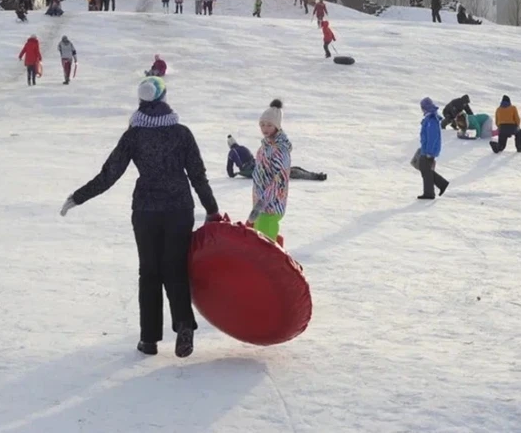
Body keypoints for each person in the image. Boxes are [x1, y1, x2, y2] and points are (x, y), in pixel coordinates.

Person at [59, 76, 221, 358]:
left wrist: (78, 196)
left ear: (141, 101)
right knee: (175, 268)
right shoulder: (181, 133)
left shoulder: (134, 135)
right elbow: (197, 175)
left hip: (145, 211)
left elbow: (109, 174)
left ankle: (149, 339)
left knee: (149, 272)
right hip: (179, 209)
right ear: (164, 99)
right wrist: (212, 209)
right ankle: (183, 325)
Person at [249, 100, 292, 242]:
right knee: (257, 239)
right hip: (260, 206)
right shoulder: (263, 148)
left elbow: (280, 179)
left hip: (272, 206)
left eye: (269, 125)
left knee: (264, 245)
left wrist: (263, 201)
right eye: (262, 124)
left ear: (277, 126)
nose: (265, 128)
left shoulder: (280, 150)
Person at [229, 134, 325, 181]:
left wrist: (233, 174)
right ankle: (315, 175)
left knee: (289, 172)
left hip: (256, 169)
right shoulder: (243, 148)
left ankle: (315, 176)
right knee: (290, 170)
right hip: (259, 165)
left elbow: (229, 167)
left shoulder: (232, 152)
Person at [417, 97, 449, 199]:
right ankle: (441, 184)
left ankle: (430, 193)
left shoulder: (431, 120)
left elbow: (432, 137)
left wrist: (429, 152)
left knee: (425, 169)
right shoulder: (429, 118)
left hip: (428, 150)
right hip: (425, 149)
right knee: (424, 168)